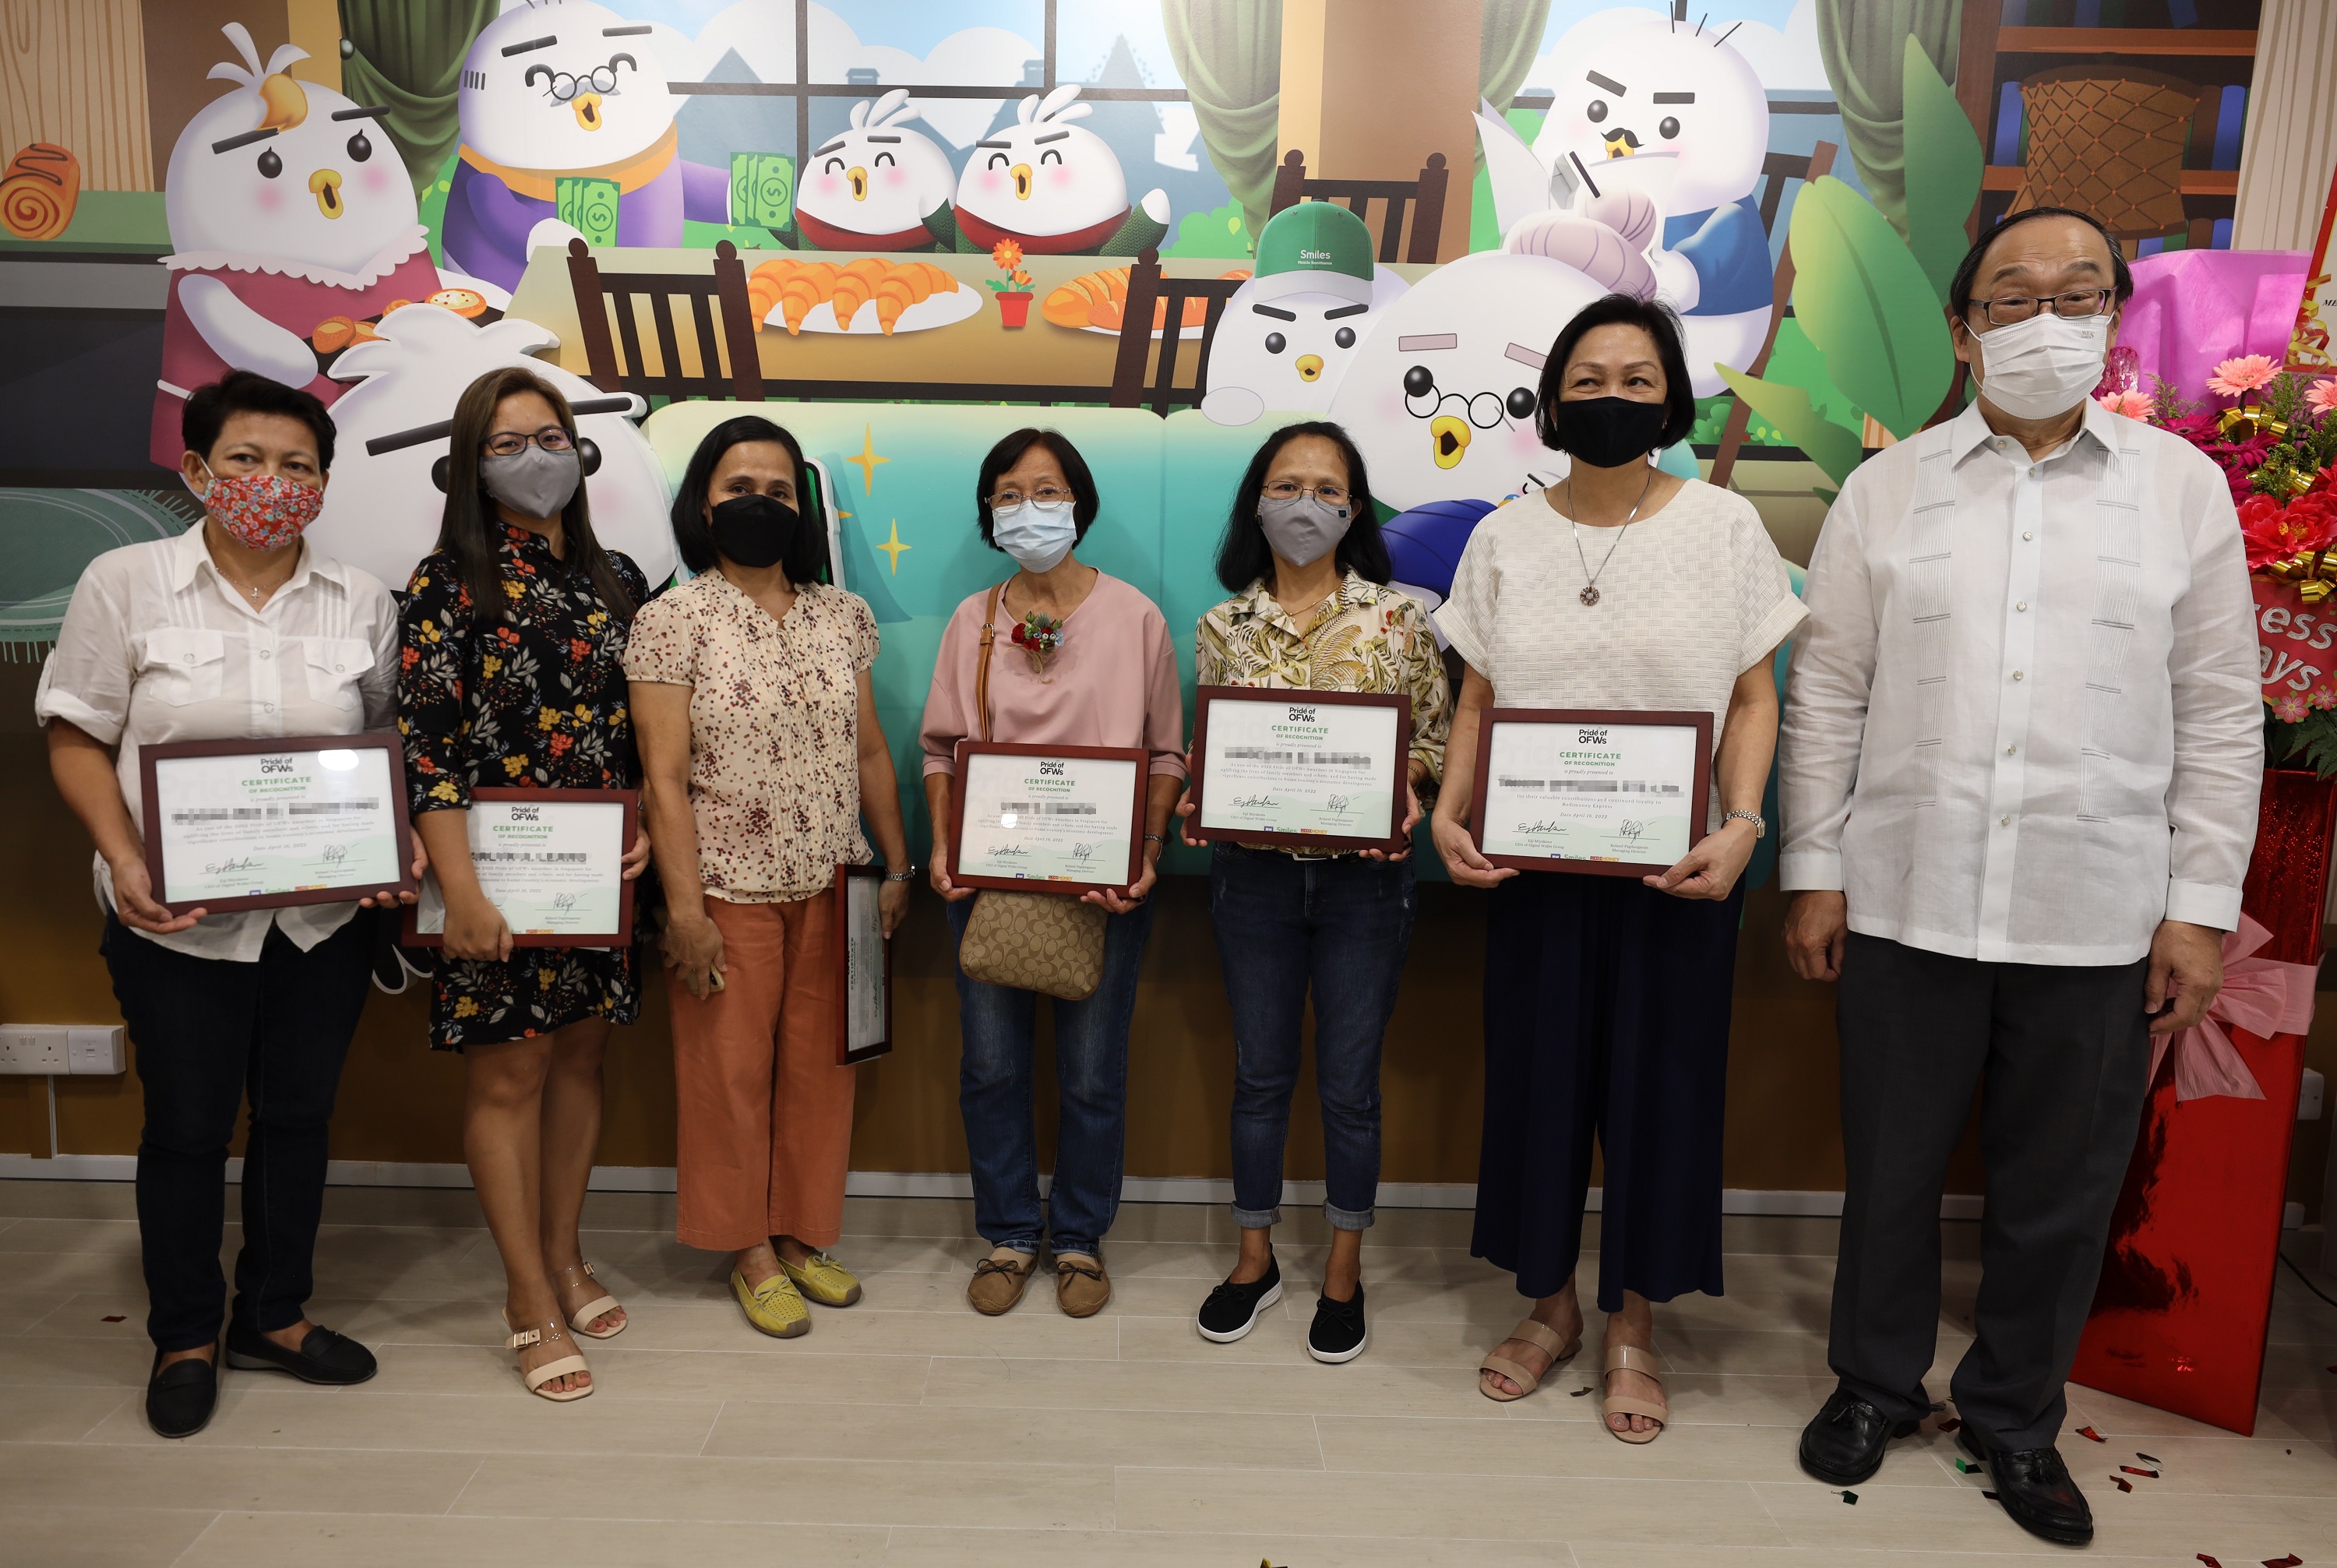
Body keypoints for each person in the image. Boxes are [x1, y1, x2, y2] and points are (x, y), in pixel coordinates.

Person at [1780, 207, 2259, 1545]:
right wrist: (1813, 867)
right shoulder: (1890, 490)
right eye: (2013, 296)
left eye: (2079, 292)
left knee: (2062, 1187)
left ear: (2113, 315)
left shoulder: (2182, 489)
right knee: (1890, 1168)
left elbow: (2222, 710)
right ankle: (1873, 1384)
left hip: (2098, 907)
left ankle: (2013, 1418)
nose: (2047, 317)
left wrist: (2200, 908)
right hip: (1909, 896)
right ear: (1961, 326)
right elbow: (1828, 694)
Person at [1430, 295, 1807, 1440]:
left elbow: (1753, 695)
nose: (1611, 397)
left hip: (1678, 871)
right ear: (1552, 398)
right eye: (1588, 378)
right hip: (1532, 869)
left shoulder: (1724, 527)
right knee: (1538, 1091)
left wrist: (1743, 824)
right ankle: (1551, 1308)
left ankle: (1635, 1322)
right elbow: (1480, 700)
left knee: (1662, 1096)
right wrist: (1448, 815)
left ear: (1673, 397)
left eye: (1638, 379)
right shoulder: (1503, 536)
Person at [38, 371, 411, 1438]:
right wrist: (126, 859)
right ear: (198, 469)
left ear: (324, 485)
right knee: (190, 1126)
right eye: (246, 460)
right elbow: (75, 735)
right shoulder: (127, 581)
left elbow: (378, 745)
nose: (271, 483)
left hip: (318, 920)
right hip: (176, 920)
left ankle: (277, 1315)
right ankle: (187, 1331)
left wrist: (385, 847)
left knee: (299, 1118)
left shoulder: (360, 600)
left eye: (298, 466)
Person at [626, 416, 913, 1339]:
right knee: (729, 1074)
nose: (760, 503)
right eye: (738, 486)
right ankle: (746, 1247)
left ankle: (800, 1234)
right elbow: (661, 780)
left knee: (826, 1070)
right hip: (726, 890)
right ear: (703, 503)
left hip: (839, 882)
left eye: (781, 491)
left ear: (804, 508)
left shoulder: (844, 616)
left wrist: (897, 861)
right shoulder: (672, 620)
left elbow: (870, 751)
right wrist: (683, 910)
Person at [399, 365, 652, 1402]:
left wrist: (636, 825)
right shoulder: (443, 584)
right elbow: (431, 748)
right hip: (493, 885)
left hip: (597, 883)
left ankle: (566, 1254)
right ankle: (524, 1295)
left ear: (579, 453)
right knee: (510, 1077)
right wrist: (461, 893)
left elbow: (641, 723)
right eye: (505, 444)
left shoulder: (617, 578)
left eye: (549, 437)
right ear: (469, 463)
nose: (534, 458)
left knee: (581, 1063)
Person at [1180, 420, 1448, 1364]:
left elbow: (1437, 748)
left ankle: (1343, 1268)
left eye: (1327, 489)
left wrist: (1407, 792)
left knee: (1349, 1088)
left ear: (1354, 506)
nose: (1306, 504)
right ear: (1257, 503)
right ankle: (1254, 1259)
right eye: (1286, 485)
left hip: (1363, 889)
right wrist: (1195, 792)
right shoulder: (1222, 625)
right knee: (1260, 1077)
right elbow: (1215, 751)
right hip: (1250, 878)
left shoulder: (1401, 620)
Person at [920, 428, 1186, 1319]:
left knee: (1092, 1073)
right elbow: (941, 751)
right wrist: (940, 847)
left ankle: (1077, 1236)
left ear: (1079, 502)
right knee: (991, 1067)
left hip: (1099, 884)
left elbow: (1164, 755)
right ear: (988, 513)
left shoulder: (1136, 617)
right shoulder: (975, 619)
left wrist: (1146, 854)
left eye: (1044, 490)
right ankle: (1006, 1230)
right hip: (990, 881)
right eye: (1005, 494)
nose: (1026, 509)